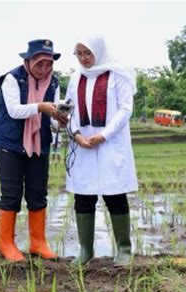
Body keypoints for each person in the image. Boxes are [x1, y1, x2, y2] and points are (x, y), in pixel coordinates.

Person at [64, 35, 138, 266]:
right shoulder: (75, 78)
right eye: (79, 53)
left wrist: (103, 134)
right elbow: (68, 111)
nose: (84, 59)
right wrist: (76, 134)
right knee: (83, 197)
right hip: (82, 144)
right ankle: (86, 250)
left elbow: (125, 109)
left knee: (115, 195)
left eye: (88, 53)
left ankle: (124, 249)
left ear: (98, 51)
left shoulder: (118, 74)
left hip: (110, 144)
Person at [0, 39, 67, 262]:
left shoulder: (53, 83)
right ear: (28, 60)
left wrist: (60, 121)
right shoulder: (12, 79)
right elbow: (14, 110)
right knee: (11, 194)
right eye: (40, 63)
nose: (44, 69)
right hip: (10, 144)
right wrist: (41, 107)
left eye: (48, 64)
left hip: (39, 144)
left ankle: (38, 243)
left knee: (37, 193)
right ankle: (6, 243)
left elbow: (51, 121)